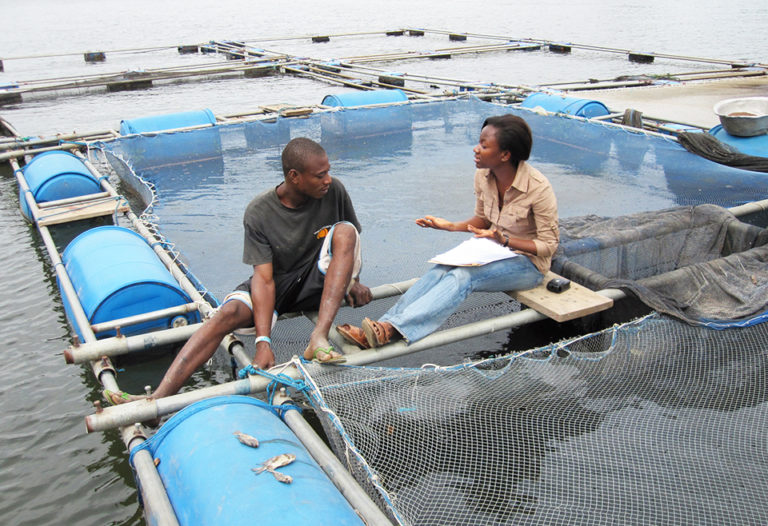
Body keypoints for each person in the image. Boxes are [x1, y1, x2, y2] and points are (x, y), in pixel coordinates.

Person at [105, 137, 372, 404]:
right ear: (295, 177)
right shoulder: (259, 212)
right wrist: (263, 342)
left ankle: (319, 336)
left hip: (319, 280)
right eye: (320, 175)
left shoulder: (334, 190)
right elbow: (264, 280)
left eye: (327, 172)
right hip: (278, 284)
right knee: (226, 314)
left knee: (345, 229)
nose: (328, 179)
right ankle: (158, 399)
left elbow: (350, 243)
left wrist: (354, 281)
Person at [336, 114, 558, 349]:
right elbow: (482, 220)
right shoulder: (483, 176)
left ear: (505, 155)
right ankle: (383, 326)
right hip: (494, 251)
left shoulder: (538, 187)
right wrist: (448, 226)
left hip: (528, 265)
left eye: (484, 145)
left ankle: (393, 330)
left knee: (464, 276)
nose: (476, 149)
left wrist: (504, 239)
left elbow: (548, 245)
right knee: (442, 268)